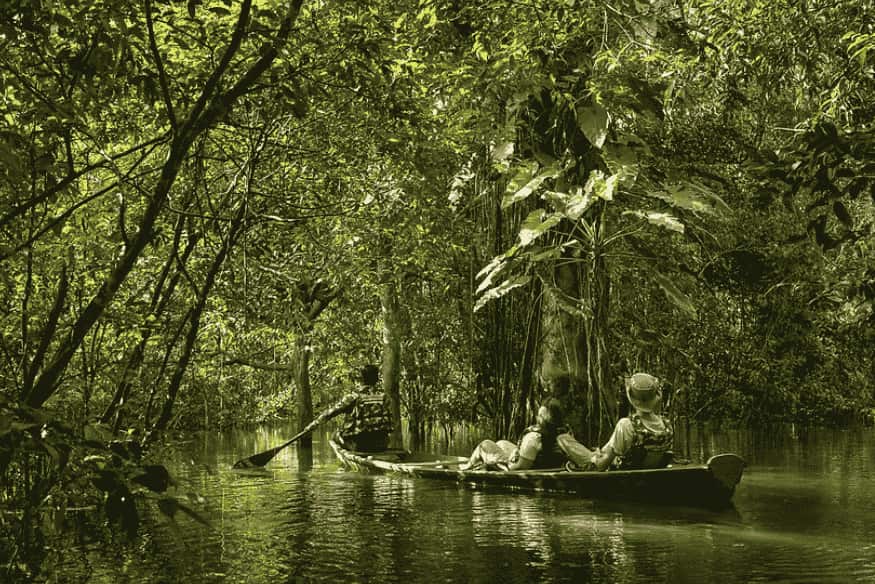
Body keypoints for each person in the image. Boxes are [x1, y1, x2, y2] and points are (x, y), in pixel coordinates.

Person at [558, 373, 673, 471]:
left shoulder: (626, 425)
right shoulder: (666, 425)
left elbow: (601, 465)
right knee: (598, 451)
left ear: (633, 400)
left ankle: (591, 454)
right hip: (637, 468)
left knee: (563, 438)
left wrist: (595, 459)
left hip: (615, 468)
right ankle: (596, 452)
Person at [460, 397, 566, 471]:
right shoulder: (563, 433)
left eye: (539, 415)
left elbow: (519, 468)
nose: (537, 418)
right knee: (502, 443)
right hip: (539, 462)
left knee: (485, 444)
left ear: (542, 419)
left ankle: (467, 467)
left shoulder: (533, 437)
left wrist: (507, 462)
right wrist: (516, 451)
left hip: (516, 466)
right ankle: (480, 460)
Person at [333, 364, 394, 452]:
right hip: (382, 445)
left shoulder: (353, 397)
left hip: (361, 446)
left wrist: (307, 430)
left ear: (361, 379)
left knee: (335, 435)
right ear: (377, 379)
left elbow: (328, 414)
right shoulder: (384, 397)